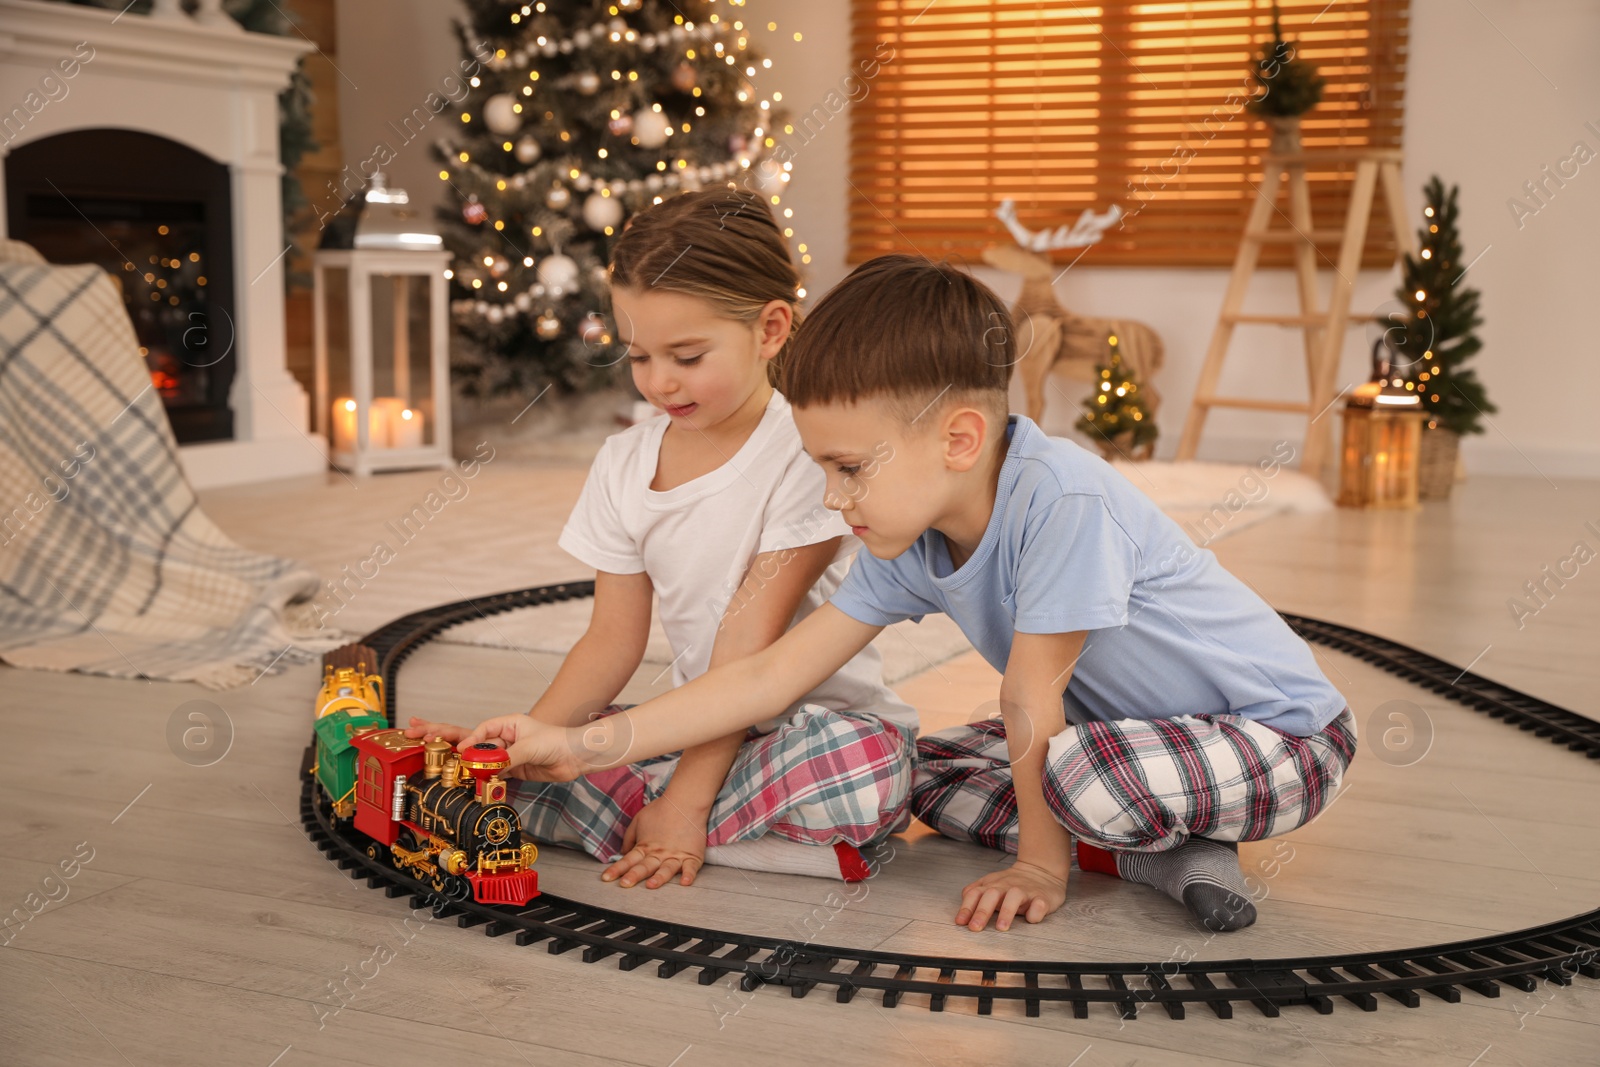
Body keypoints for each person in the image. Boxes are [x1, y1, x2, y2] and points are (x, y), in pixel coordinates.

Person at [444, 253, 1355, 934]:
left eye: (847, 469)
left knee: (1067, 768)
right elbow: (767, 678)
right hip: (1115, 745)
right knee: (920, 771)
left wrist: (1040, 868)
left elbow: (1031, 696)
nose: (833, 500)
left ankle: (1111, 841)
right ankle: (1159, 848)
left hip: (1281, 737)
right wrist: (579, 739)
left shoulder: (1064, 497)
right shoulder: (907, 536)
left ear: (960, 439)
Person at [408, 190, 918, 890]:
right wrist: (520, 744)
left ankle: (671, 817)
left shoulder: (808, 448)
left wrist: (686, 796)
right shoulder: (623, 463)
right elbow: (611, 641)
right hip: (692, 725)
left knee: (862, 774)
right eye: (639, 355)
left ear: (771, 329)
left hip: (813, 725)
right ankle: (739, 836)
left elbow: (748, 653)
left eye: (686, 354)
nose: (658, 381)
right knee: (567, 759)